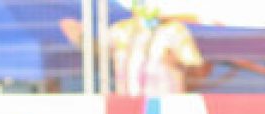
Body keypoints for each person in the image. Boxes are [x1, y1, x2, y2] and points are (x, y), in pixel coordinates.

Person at [60, 0, 206, 96]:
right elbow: (100, 52)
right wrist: (80, 38)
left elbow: (199, 71)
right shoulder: (121, 30)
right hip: (128, 105)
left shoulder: (174, 30)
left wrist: (178, 65)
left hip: (164, 105)